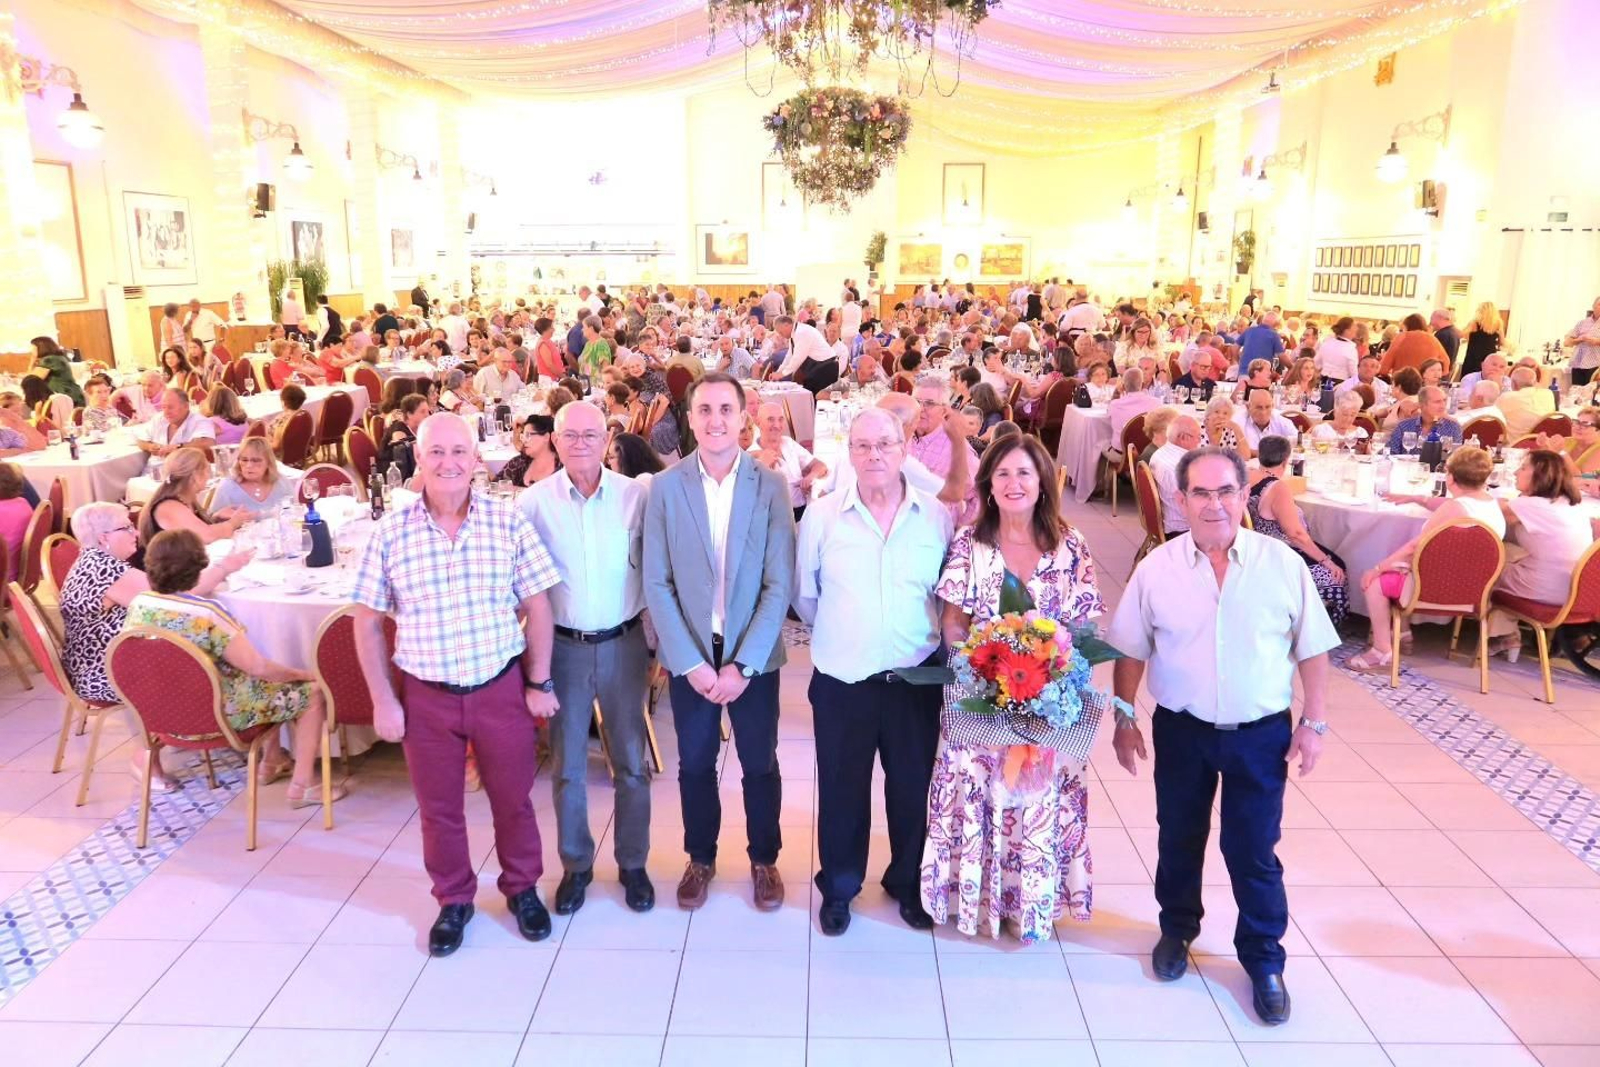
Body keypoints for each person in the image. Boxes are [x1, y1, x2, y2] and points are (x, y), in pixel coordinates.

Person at [1107, 446, 1339, 1026]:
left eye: (1226, 492)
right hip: (1182, 730)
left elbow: (1313, 648)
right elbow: (1130, 649)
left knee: (1253, 849)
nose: (1214, 505)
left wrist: (1313, 722)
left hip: (1259, 735)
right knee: (1178, 838)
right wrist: (1124, 717)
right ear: (1181, 500)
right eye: (1201, 494)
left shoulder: (1281, 564)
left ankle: (1263, 959)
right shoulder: (1156, 569)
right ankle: (1177, 930)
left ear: (1243, 497)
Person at [351, 412, 561, 957]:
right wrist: (382, 700)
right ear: (418, 459)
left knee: (514, 800)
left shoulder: (507, 521)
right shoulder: (390, 532)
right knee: (439, 809)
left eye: (459, 452)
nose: (448, 463)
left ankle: (522, 888)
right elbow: (366, 622)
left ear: (476, 459)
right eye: (436, 452)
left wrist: (539, 681)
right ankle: (454, 898)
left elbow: (539, 606)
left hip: (499, 688)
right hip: (426, 696)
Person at [920, 434, 1101, 943]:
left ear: (1042, 482)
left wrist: (1052, 680)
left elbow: (1083, 627)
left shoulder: (1070, 545)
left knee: (1039, 798)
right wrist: (981, 674)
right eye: (1002, 474)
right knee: (978, 796)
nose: (1013, 483)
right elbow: (952, 622)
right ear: (988, 484)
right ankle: (975, 902)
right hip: (981, 699)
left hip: (1049, 703)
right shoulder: (970, 543)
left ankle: (1030, 904)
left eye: (1024, 473)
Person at [642, 372, 795, 913]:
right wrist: (690, 663)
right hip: (691, 653)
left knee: (760, 762)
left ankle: (764, 859)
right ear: (689, 418)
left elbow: (779, 584)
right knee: (695, 764)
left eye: (726, 409)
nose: (715, 420)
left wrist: (743, 665)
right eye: (704, 409)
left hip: (753, 653)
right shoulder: (665, 487)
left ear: (742, 416)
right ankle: (700, 858)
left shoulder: (770, 486)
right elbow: (656, 581)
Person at [795, 407, 951, 937]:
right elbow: (806, 596)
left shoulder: (935, 516)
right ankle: (839, 887)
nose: (874, 455)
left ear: (904, 449)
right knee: (843, 790)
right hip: (844, 679)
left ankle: (908, 882)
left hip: (915, 679)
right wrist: (850, 634)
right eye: (862, 446)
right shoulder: (822, 517)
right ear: (849, 453)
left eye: (884, 444)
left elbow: (944, 596)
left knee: (912, 788)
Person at [517, 402, 654, 915]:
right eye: (569, 435)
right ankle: (576, 866)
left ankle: (633, 863)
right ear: (554, 440)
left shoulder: (635, 497)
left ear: (606, 440)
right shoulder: (533, 504)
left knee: (631, 764)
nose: (580, 444)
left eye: (590, 435)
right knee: (568, 767)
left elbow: (657, 567)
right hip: (563, 648)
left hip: (624, 643)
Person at [130, 528, 341, 808]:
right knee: (311, 692)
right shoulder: (206, 615)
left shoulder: (139, 605)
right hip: (217, 714)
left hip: (162, 714)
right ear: (199, 565)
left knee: (262, 684)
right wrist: (305, 674)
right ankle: (304, 784)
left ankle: (272, 760)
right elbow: (259, 667)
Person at [61, 501, 248, 792]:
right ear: (103, 537)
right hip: (104, 671)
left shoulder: (95, 561)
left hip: (103, 659)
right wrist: (225, 567)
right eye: (126, 527)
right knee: (207, 658)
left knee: (197, 647)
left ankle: (195, 729)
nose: (135, 532)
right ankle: (151, 754)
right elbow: (176, 596)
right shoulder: (104, 570)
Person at [1346, 446, 1505, 672]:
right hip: (1474, 592)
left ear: (1450, 478)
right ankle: (1402, 633)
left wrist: (1377, 568)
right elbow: (1452, 505)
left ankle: (1382, 651)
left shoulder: (1454, 508)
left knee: (1376, 582)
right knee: (1404, 567)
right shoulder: (1491, 504)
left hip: (1432, 589)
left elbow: (1416, 545)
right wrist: (1416, 498)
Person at [1488, 451, 1592, 658]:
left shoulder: (1531, 505)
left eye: (1523, 468)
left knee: (1486, 564)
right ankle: (1506, 633)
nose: (1516, 473)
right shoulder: (1571, 503)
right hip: (1577, 591)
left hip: (1546, 590)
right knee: (1506, 553)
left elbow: (1490, 509)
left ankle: (1506, 634)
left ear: (1540, 476)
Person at [1249, 437, 1349, 624]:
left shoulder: (1246, 475)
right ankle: (1314, 627)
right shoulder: (1276, 487)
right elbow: (1296, 534)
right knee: (1337, 571)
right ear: (1286, 460)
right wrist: (1326, 562)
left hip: (1255, 548)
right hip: (1277, 555)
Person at [138, 446, 246, 546]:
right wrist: (233, 523)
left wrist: (215, 518)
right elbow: (207, 536)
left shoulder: (186, 498)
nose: (208, 476)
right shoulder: (169, 506)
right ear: (195, 475)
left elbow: (192, 529)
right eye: (207, 470)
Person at [750, 400, 826, 521]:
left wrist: (810, 477)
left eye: (781, 419)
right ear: (758, 422)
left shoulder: (788, 442)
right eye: (770, 419)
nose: (777, 425)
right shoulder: (752, 455)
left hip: (805, 509)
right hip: (778, 519)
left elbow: (820, 466)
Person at [210, 437, 295, 517]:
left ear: (268, 462)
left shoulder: (281, 482)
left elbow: (295, 512)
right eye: (244, 460)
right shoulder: (227, 486)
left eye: (256, 460)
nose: (249, 465)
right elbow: (212, 520)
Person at [1150, 415, 1202, 536]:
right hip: (1183, 530)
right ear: (1183, 437)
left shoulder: (1161, 452)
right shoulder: (1178, 468)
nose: (1199, 441)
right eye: (1198, 437)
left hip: (1171, 519)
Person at [136, 388, 217, 460]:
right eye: (163, 407)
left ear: (186, 406)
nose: (166, 412)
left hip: (184, 470)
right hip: (153, 469)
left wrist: (178, 447)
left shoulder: (200, 421)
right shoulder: (159, 418)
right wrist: (150, 447)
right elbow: (141, 440)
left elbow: (207, 444)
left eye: (170, 407)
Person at [1387, 385, 1462, 453]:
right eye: (1437, 402)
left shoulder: (1453, 428)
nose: (1443, 406)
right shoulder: (1404, 426)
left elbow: (1455, 459)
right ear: (1422, 405)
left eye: (1444, 401)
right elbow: (1390, 453)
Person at [495, 414, 560, 488]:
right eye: (523, 436)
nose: (524, 441)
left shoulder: (563, 468)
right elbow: (496, 486)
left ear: (546, 437)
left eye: (528, 435)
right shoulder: (518, 463)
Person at [1378, 314, 1450, 376]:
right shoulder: (1433, 340)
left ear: (1407, 326)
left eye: (1403, 328)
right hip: (1425, 383)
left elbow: (1383, 369)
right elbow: (1446, 366)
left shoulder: (1401, 338)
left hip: (1402, 382)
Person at [1496, 365, 1556, 439]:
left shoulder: (1507, 397)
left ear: (1513, 384)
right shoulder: (1548, 394)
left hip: (1515, 443)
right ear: (1535, 382)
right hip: (1542, 441)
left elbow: (1492, 415)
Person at [1234, 390, 1297, 458]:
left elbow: (1298, 444)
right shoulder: (1238, 422)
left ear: (1272, 406)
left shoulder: (1282, 422)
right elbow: (1232, 450)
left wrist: (1253, 452)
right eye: (1259, 407)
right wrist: (1265, 454)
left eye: (1267, 407)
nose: (1263, 412)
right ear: (1248, 407)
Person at [1461, 302, 1503, 378]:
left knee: (1470, 379)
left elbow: (1462, 334)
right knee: (1486, 379)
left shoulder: (1475, 323)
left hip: (1473, 357)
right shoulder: (1498, 324)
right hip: (1489, 357)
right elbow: (1502, 341)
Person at [1315, 317, 1359, 382]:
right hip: (1340, 383)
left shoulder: (1327, 343)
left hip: (1323, 380)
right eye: (1354, 327)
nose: (1357, 329)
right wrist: (1356, 383)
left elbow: (1316, 363)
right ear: (1347, 331)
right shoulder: (1350, 348)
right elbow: (1353, 372)